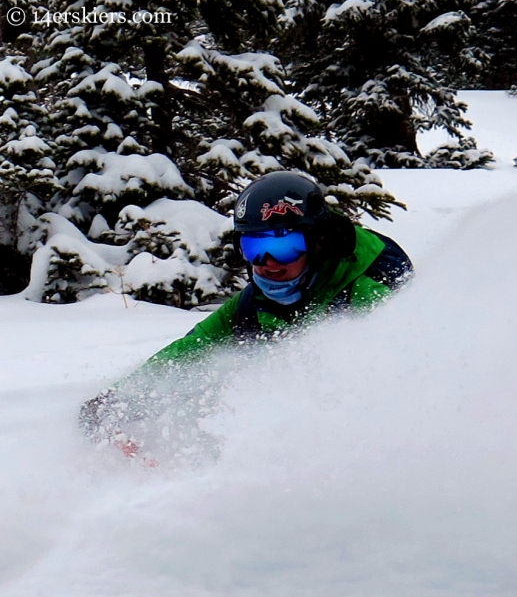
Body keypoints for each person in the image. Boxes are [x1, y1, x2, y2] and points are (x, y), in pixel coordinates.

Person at [79, 171, 412, 459]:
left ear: (318, 242)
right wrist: (117, 404)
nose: (267, 262)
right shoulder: (252, 306)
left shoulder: (368, 294)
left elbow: (391, 386)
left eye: (284, 246)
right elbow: (192, 351)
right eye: (253, 247)